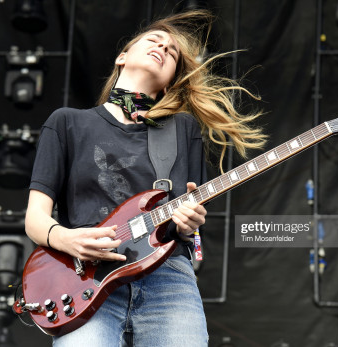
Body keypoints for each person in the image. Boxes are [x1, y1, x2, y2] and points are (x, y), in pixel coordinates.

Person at [24, 9, 266, 347]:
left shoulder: (182, 128)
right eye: (155, 40)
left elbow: (186, 224)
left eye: (172, 52)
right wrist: (68, 239)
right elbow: (35, 218)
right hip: (84, 275)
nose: (164, 48)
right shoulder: (67, 123)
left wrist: (189, 222)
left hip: (167, 279)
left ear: (169, 81)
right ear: (123, 56)